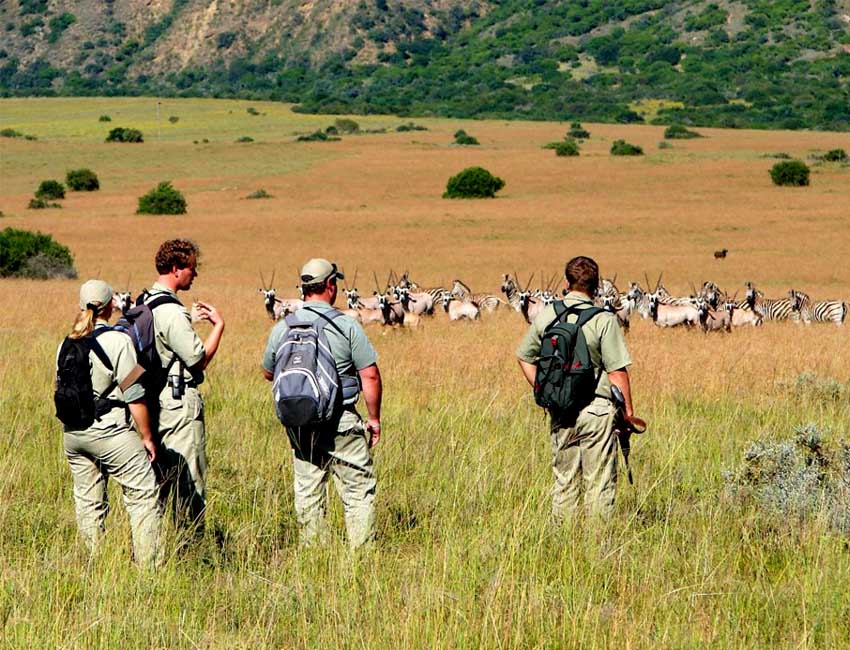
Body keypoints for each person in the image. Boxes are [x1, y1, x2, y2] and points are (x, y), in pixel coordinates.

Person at [262, 258, 382, 549]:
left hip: (300, 420)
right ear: (330, 286)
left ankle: (314, 556)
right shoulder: (345, 325)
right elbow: (370, 374)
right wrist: (374, 419)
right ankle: (361, 559)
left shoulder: (283, 327)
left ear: (304, 289)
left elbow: (268, 371)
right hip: (341, 417)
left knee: (308, 489)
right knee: (357, 491)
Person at [516, 256, 637, 523]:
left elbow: (524, 357)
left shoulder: (548, 314)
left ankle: (562, 547)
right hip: (597, 411)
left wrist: (546, 393)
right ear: (596, 286)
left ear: (566, 283)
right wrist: (627, 415)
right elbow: (617, 372)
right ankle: (598, 550)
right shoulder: (605, 319)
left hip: (561, 410)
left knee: (564, 482)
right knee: (600, 482)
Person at [59, 279, 162, 568]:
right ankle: (148, 570)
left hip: (73, 434)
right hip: (110, 432)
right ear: (109, 307)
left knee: (88, 502)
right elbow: (134, 394)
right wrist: (147, 436)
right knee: (143, 495)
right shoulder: (118, 341)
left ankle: (95, 566)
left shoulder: (65, 343)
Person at [144, 239, 224, 534]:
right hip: (177, 403)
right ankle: (191, 543)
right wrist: (218, 327)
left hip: (150, 402)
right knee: (190, 479)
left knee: (160, 478)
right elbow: (198, 360)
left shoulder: (145, 301)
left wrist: (189, 319)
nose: (195, 274)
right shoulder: (172, 311)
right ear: (176, 269)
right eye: (192, 268)